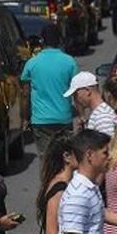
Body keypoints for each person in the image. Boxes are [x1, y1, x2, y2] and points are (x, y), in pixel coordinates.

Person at [22, 24, 79, 156]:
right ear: (59, 40)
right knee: (64, 158)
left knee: (46, 159)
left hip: (41, 120)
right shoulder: (69, 62)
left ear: (42, 41)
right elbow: (76, 92)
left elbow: (25, 94)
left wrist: (25, 118)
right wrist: (80, 115)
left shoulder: (32, 63)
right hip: (64, 118)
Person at [64, 72, 117, 137]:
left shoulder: (102, 116)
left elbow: (108, 145)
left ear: (87, 91)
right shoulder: (98, 114)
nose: (75, 98)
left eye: (76, 94)